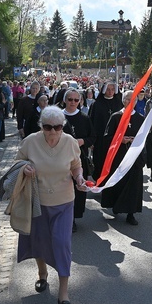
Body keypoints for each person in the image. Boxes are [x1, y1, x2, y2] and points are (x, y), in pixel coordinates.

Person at [16, 106, 85, 304]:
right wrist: (24, 168)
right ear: (41, 126)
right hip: (37, 200)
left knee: (62, 243)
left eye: (57, 127)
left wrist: (79, 177)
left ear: (63, 126)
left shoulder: (70, 142)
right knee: (39, 240)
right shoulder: (30, 141)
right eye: (48, 127)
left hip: (64, 201)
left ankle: (63, 293)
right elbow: (17, 163)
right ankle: (42, 273)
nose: (53, 132)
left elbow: (76, 165)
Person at [100, 90, 145, 225]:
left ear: (136, 102)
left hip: (134, 158)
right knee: (119, 184)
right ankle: (116, 206)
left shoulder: (140, 118)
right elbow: (107, 137)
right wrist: (121, 140)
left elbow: (144, 139)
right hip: (118, 157)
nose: (130, 102)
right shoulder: (115, 117)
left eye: (133, 100)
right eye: (127, 99)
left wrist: (135, 141)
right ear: (123, 101)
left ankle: (131, 213)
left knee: (133, 186)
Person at [62, 88, 95, 233]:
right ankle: (63, 217)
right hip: (60, 160)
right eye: (70, 99)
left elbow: (92, 137)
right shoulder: (58, 117)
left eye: (76, 100)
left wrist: (82, 141)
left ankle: (73, 218)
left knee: (77, 189)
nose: (73, 102)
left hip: (78, 159)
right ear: (65, 100)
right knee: (62, 190)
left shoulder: (84, 118)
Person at [88, 81, 122, 181]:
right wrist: (92, 140)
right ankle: (100, 182)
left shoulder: (119, 103)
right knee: (100, 161)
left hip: (115, 138)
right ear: (103, 90)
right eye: (108, 89)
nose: (110, 91)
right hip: (100, 139)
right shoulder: (96, 104)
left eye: (112, 89)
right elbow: (91, 122)